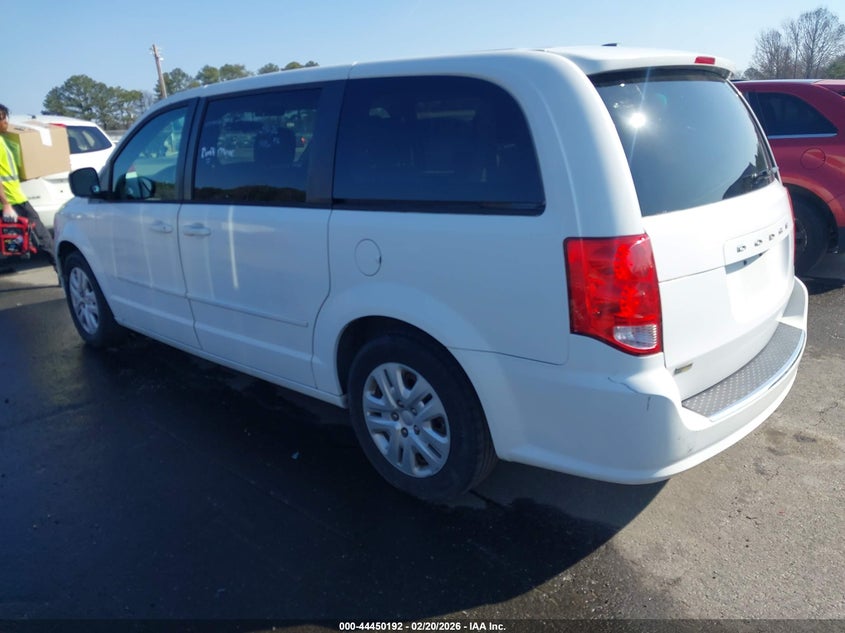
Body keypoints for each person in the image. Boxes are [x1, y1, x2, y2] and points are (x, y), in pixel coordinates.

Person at [0, 103, 56, 266]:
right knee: (42, 235)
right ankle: (60, 270)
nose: (6, 123)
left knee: (23, 238)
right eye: (3, 119)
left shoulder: (3, 139)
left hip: (13, 198)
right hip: (13, 201)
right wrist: (6, 204)